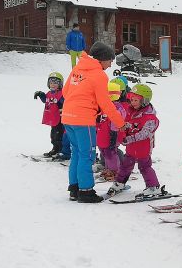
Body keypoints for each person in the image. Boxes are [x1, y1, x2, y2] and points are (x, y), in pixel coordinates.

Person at [62, 41, 125, 203]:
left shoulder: (78, 68)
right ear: (102, 59)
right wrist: (120, 123)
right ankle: (86, 191)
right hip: (83, 120)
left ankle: (74, 188)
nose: (111, 64)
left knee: (77, 152)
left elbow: (65, 91)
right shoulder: (99, 75)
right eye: (110, 60)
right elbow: (106, 103)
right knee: (87, 155)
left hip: (68, 117)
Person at [107, 84, 161, 197]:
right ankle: (120, 183)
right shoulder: (131, 112)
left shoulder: (150, 117)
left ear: (145, 100)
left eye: (136, 100)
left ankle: (153, 187)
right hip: (131, 147)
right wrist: (123, 131)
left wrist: (130, 138)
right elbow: (126, 124)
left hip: (143, 148)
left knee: (144, 166)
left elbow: (145, 133)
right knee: (125, 165)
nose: (133, 103)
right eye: (131, 100)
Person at [96, 82, 127, 181]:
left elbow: (117, 121)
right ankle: (108, 168)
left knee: (110, 153)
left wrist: (113, 135)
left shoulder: (117, 108)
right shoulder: (103, 106)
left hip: (110, 135)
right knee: (104, 151)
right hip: (102, 133)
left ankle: (115, 171)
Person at [33, 72, 65, 157]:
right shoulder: (49, 93)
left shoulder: (61, 94)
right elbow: (46, 100)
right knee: (53, 135)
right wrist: (40, 94)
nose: (53, 84)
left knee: (59, 135)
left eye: (55, 83)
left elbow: (64, 103)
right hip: (53, 119)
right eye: (51, 82)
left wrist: (61, 104)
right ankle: (55, 148)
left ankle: (61, 150)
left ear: (60, 84)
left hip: (60, 120)